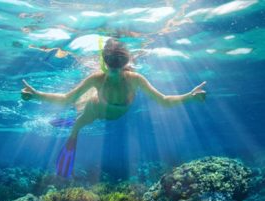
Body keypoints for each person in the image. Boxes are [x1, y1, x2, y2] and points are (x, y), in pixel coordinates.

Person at [21, 38, 206, 177]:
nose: (114, 74)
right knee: (78, 125)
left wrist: (189, 96)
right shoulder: (98, 78)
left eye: (116, 69)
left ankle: (72, 124)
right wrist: (36, 95)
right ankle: (71, 134)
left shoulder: (135, 78)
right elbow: (66, 98)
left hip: (107, 110)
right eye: (111, 69)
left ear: (123, 64)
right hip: (94, 110)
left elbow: (164, 100)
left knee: (79, 118)